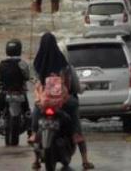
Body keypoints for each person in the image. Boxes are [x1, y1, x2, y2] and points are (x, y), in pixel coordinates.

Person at [30, 32, 93, 170]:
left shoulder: (37, 64)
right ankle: (84, 159)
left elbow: (35, 83)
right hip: (62, 102)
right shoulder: (64, 65)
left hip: (44, 102)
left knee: (36, 111)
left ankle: (35, 155)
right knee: (75, 111)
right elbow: (74, 86)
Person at [0, 39, 31, 132]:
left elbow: (0, 78)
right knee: (27, 111)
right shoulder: (22, 63)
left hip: (6, 91)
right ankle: (30, 132)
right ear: (19, 50)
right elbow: (27, 76)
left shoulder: (2, 64)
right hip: (20, 91)